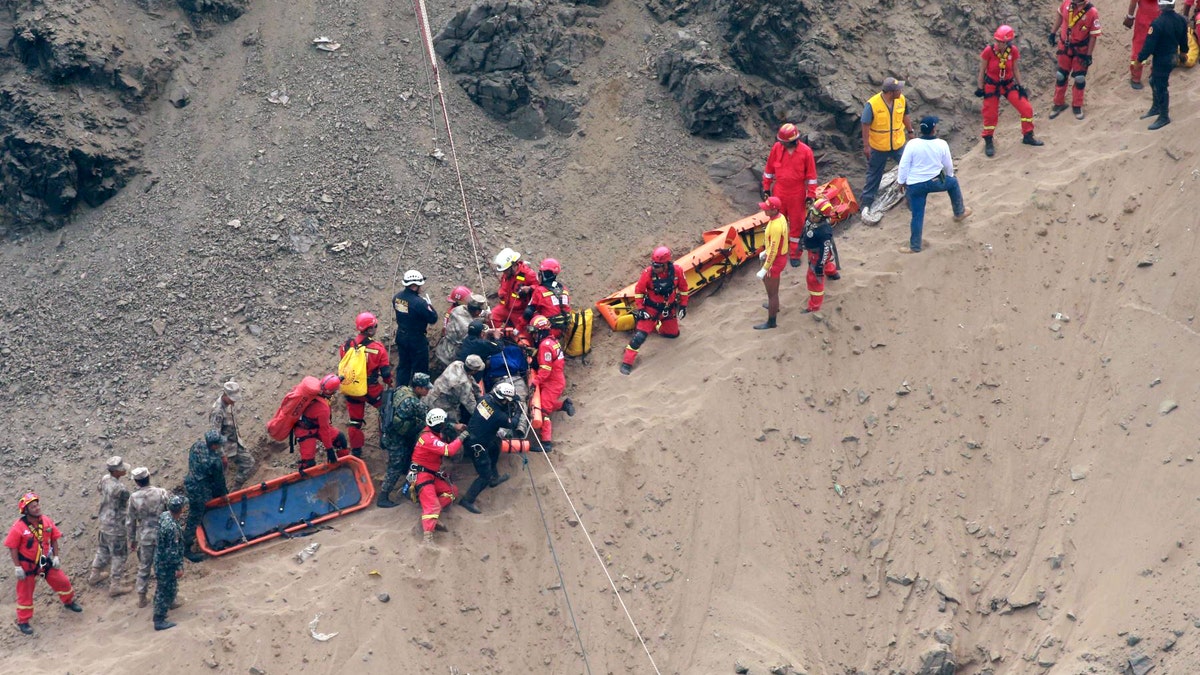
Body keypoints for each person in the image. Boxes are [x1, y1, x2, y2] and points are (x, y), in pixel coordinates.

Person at [6, 492, 82, 635]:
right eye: (33, 506)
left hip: (44, 562)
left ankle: (68, 601)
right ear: (26, 510)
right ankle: (23, 621)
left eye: (37, 505)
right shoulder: (18, 527)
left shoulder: (46, 521)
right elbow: (13, 547)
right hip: (27, 566)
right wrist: (17, 567)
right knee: (25, 594)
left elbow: (54, 538)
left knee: (63, 582)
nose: (37, 508)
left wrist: (56, 557)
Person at [897, 116, 973, 254]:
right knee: (953, 183)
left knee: (917, 215)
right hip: (936, 181)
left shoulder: (912, 144)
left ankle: (915, 246)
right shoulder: (942, 144)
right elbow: (948, 165)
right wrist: (949, 176)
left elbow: (904, 165)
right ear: (934, 129)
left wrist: (901, 181)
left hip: (916, 184)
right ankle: (959, 212)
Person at [620, 246, 690, 375]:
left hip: (668, 310)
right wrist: (641, 309)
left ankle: (657, 327)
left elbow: (684, 288)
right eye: (654, 265)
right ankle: (627, 362)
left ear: (666, 264)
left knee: (673, 334)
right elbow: (639, 291)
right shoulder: (647, 273)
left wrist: (684, 305)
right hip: (651, 310)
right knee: (639, 337)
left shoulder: (677, 271)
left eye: (658, 266)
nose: (655, 268)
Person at [976, 25, 1043, 157]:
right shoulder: (988, 51)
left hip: (1008, 84)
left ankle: (1028, 135)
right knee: (990, 115)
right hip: (992, 85)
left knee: (1026, 108)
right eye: (998, 41)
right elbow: (982, 70)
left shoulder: (1013, 51)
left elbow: (1015, 69)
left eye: (1002, 42)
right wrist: (980, 87)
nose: (999, 44)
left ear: (1008, 42)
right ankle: (988, 140)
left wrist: (1020, 86)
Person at [761, 123, 819, 264]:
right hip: (779, 191)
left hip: (797, 193)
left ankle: (795, 254)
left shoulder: (806, 152)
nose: (781, 143)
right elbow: (769, 170)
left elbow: (811, 176)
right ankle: (777, 252)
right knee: (777, 223)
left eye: (783, 142)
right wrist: (766, 188)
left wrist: (811, 195)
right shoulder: (777, 149)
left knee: (797, 224)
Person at [458, 382, 520, 514]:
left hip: (476, 437)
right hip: (476, 445)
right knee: (484, 476)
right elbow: (512, 423)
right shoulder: (499, 415)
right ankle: (467, 500)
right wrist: (518, 411)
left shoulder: (485, 399)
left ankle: (494, 478)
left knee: (494, 449)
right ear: (503, 400)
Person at [341, 312, 394, 458]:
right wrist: (390, 382)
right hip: (371, 390)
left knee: (355, 421)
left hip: (352, 388)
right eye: (375, 326)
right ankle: (386, 440)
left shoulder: (346, 345)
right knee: (386, 410)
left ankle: (356, 451)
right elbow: (385, 373)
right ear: (370, 329)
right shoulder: (378, 348)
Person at [409, 408, 466, 542]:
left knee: (452, 491)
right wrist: (462, 437)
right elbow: (449, 450)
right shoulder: (428, 438)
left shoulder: (429, 432)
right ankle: (427, 537)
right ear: (439, 424)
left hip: (430, 473)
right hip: (421, 476)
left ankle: (431, 515)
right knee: (432, 506)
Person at [377, 373, 432, 508]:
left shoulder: (402, 389)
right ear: (418, 388)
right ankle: (383, 497)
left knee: (406, 458)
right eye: (426, 388)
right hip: (395, 438)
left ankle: (407, 482)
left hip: (390, 432)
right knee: (395, 466)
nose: (428, 390)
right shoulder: (413, 402)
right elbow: (430, 417)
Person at [860, 77, 912, 213]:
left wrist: (910, 131)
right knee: (874, 174)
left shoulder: (901, 100)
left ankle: (911, 197)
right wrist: (866, 146)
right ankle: (866, 202)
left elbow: (905, 116)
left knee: (908, 168)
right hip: (878, 146)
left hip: (898, 144)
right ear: (890, 92)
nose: (901, 91)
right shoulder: (872, 104)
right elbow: (865, 124)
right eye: (898, 89)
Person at [1137, 0, 1190, 129]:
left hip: (1162, 59)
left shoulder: (1157, 24)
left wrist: (1139, 60)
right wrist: (1183, 53)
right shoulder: (1181, 20)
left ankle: (1164, 116)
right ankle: (1156, 108)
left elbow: (1149, 46)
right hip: (1173, 56)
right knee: (1153, 80)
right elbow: (1184, 40)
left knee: (1160, 86)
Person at [1049, 0, 1102, 121]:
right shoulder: (1066, 3)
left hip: (1080, 50)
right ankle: (1058, 103)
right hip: (1064, 46)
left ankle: (1077, 105)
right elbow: (1060, 14)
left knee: (1079, 78)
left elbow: (1094, 35)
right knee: (1061, 75)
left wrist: (1088, 55)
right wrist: (1053, 32)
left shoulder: (1092, 12)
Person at [182, 430, 229, 562]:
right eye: (218, 444)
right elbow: (219, 482)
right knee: (195, 518)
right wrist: (224, 494)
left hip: (190, 483)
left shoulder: (196, 446)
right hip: (201, 490)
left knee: (194, 514)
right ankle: (186, 548)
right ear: (213, 445)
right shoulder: (215, 461)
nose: (220, 447)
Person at [529, 315, 574, 452]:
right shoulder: (551, 341)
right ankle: (564, 405)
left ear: (541, 331)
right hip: (554, 380)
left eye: (535, 332)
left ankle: (546, 442)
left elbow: (545, 370)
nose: (534, 335)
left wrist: (534, 382)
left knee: (543, 411)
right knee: (544, 404)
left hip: (552, 383)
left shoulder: (545, 346)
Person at [126, 466, 169, 608]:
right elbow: (169, 512)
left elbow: (130, 521)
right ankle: (169, 598)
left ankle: (142, 598)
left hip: (145, 537)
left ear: (137, 482)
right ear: (149, 477)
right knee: (164, 567)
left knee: (144, 567)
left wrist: (132, 540)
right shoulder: (161, 492)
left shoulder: (133, 498)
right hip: (162, 534)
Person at [89, 456, 132, 596]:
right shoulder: (120, 489)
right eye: (122, 469)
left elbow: (99, 490)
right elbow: (129, 502)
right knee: (119, 555)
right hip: (116, 526)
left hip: (104, 522)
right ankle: (115, 585)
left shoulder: (104, 479)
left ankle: (94, 575)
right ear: (117, 472)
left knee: (102, 549)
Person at [392, 269, 439, 386]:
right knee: (420, 369)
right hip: (416, 340)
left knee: (404, 366)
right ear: (414, 286)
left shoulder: (397, 298)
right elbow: (433, 319)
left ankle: (400, 390)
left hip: (401, 336)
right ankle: (418, 395)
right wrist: (429, 305)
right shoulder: (420, 303)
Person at [294, 374, 350, 470]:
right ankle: (303, 478)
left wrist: (339, 379)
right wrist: (329, 450)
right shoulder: (322, 409)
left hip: (314, 424)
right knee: (308, 464)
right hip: (305, 431)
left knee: (340, 439)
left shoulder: (316, 390)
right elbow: (325, 431)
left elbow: (329, 383)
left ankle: (344, 465)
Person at [210, 380, 254, 489]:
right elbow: (214, 435)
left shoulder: (229, 404)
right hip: (224, 448)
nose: (234, 402)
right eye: (232, 398)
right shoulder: (218, 411)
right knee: (220, 478)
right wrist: (222, 455)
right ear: (225, 395)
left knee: (249, 463)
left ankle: (236, 490)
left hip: (235, 443)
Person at [801, 197, 842, 314]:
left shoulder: (824, 232)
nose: (812, 216)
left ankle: (814, 306)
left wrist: (819, 267)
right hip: (814, 250)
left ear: (823, 218)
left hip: (818, 254)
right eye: (811, 211)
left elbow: (824, 252)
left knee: (814, 280)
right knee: (827, 262)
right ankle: (832, 273)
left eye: (816, 214)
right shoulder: (811, 219)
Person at [754, 196, 788, 330]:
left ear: (774, 210)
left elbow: (774, 250)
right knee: (773, 290)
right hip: (780, 256)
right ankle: (774, 305)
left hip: (775, 261)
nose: (764, 211)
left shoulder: (775, 226)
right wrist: (766, 251)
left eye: (767, 209)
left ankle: (771, 321)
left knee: (772, 293)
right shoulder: (780, 218)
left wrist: (765, 268)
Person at [152, 496, 186, 631]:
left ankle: (168, 603)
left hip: (160, 559)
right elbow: (172, 551)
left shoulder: (165, 515)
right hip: (166, 564)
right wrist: (178, 567)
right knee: (164, 589)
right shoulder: (172, 528)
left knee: (165, 586)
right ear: (181, 509)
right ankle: (159, 619)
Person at [423, 355, 486, 425]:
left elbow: (470, 379)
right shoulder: (463, 384)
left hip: (433, 394)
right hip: (442, 405)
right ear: (474, 371)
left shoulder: (457, 364)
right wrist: (482, 416)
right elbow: (470, 405)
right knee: (450, 426)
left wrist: (479, 394)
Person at [490, 248, 537, 332]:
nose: (504, 273)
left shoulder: (528, 274)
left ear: (513, 265)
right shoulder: (506, 274)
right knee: (492, 318)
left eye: (506, 270)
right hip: (505, 307)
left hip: (519, 311)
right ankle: (499, 336)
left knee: (523, 335)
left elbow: (539, 288)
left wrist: (529, 289)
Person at [524, 259, 573, 337]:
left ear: (543, 274)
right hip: (564, 330)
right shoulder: (564, 289)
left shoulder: (539, 291)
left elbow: (527, 313)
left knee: (533, 316)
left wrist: (518, 330)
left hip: (548, 331)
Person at [436, 293, 487, 366]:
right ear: (477, 312)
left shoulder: (457, 309)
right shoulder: (468, 329)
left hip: (443, 348)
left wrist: (483, 318)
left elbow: (470, 318)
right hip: (452, 356)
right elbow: (475, 342)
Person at [1126, 0, 1162, 88]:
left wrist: (1130, 17)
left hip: (1143, 18)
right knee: (1159, 46)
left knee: (1139, 46)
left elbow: (1133, 2)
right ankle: (1155, 74)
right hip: (1159, 18)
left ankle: (1136, 77)